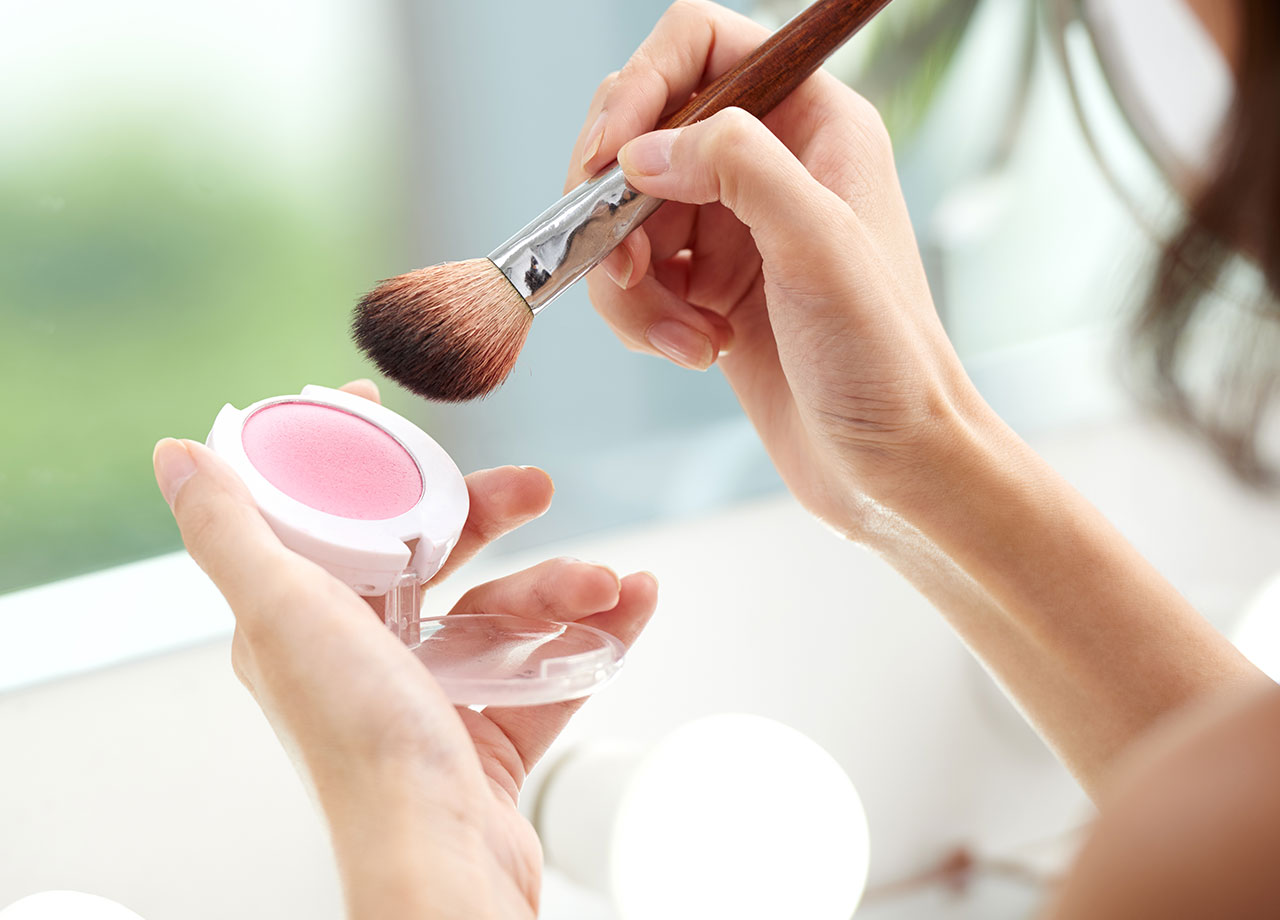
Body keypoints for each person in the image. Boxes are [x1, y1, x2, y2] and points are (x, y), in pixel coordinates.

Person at [153, 0, 1280, 916]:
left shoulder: (1204, 835)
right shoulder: (1225, 809)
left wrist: (416, 824)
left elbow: (1220, 835)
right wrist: (917, 458)